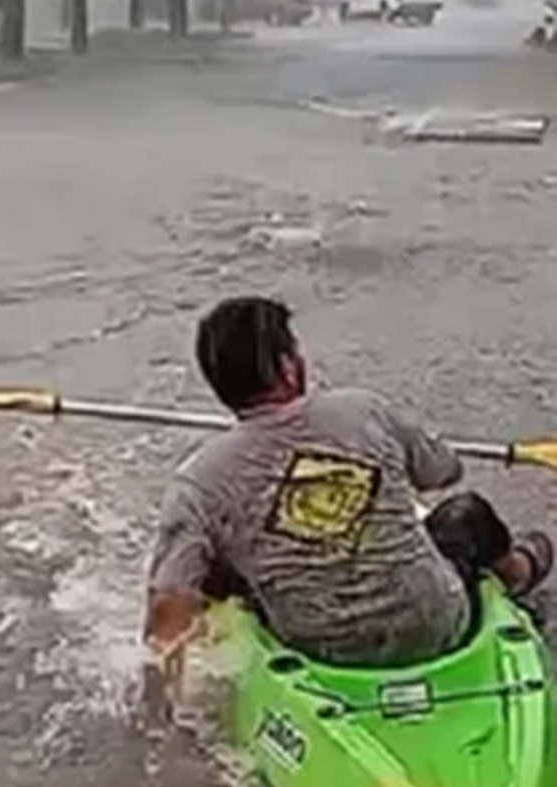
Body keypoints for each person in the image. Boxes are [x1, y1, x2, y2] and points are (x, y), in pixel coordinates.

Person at [143, 295, 552, 716]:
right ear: (288, 367)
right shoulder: (362, 409)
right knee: (465, 514)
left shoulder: (198, 482)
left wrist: (165, 717)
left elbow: (167, 610)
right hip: (433, 627)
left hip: (321, 648)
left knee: (209, 569)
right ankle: (517, 571)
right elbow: (442, 472)